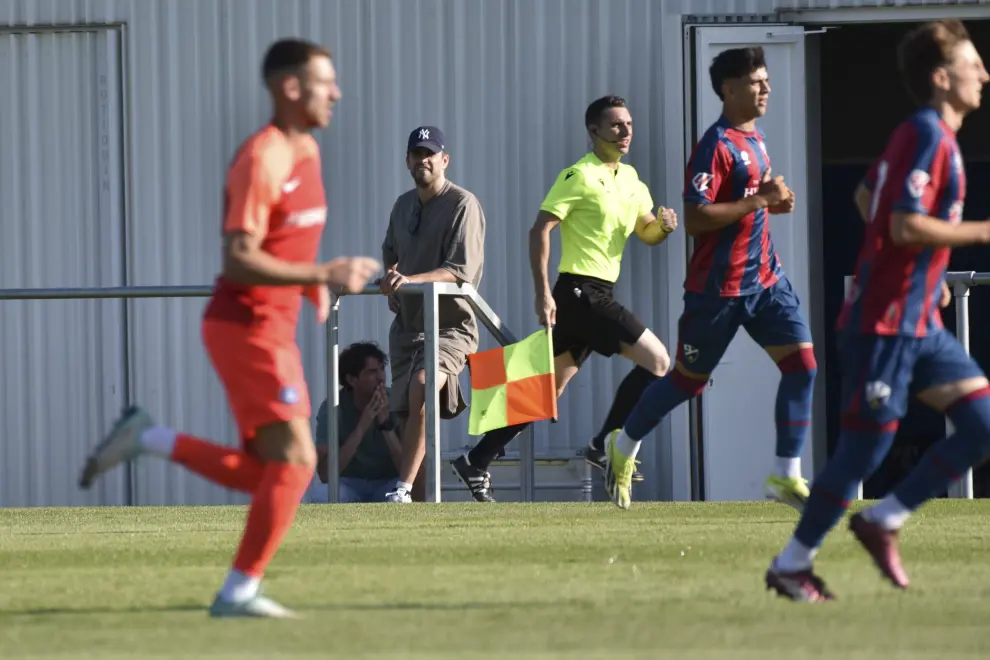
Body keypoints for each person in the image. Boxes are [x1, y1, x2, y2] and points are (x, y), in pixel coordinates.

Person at [77, 38, 380, 618]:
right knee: (297, 463)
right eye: (326, 82)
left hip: (274, 327)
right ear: (290, 88)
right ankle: (237, 591)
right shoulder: (261, 158)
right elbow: (238, 257)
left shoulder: (309, 152)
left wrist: (310, 284)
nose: (337, 92)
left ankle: (149, 439)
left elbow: (285, 242)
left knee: (273, 474)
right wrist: (322, 271)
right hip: (243, 326)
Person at [766, 19, 990, 602]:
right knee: (863, 451)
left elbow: (869, 197)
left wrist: (927, 271)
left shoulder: (926, 135)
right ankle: (792, 563)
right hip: (884, 324)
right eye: (973, 64)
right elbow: (901, 222)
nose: (984, 74)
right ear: (942, 78)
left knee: (982, 423)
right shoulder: (926, 134)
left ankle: (884, 519)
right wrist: (975, 233)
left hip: (919, 321)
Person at [602, 47, 816, 511]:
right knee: (686, 382)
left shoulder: (755, 139)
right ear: (729, 89)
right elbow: (696, 218)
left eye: (766, 80)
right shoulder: (714, 145)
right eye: (757, 82)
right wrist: (760, 200)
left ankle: (786, 475)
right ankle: (623, 445)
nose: (767, 89)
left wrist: (770, 204)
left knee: (803, 367)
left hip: (766, 282)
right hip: (716, 291)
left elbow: (747, 203)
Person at [450, 95, 677, 502]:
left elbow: (646, 233)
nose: (625, 131)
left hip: (598, 292)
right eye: (615, 125)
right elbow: (540, 230)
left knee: (543, 392)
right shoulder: (579, 176)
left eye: (628, 124)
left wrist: (663, 227)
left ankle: (476, 460)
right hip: (578, 292)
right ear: (593, 131)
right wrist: (542, 294)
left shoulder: (633, 181)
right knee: (658, 361)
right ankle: (605, 444)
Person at [379, 126, 486, 504]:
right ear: (407, 161)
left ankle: (402, 488)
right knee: (407, 418)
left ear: (444, 160)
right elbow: (390, 249)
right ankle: (418, 510)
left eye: (430, 153)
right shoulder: (402, 205)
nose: (422, 160)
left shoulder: (463, 204)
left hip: (450, 327)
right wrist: (394, 281)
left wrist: (408, 279)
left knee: (424, 384)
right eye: (416, 153)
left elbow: (460, 272)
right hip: (408, 328)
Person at [309, 342, 402, 503]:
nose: (381, 377)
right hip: (349, 483)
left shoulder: (396, 400)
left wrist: (385, 423)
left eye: (381, 369)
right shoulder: (333, 407)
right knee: (321, 495)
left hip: (388, 481)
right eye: (372, 372)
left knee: (401, 496)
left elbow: (406, 467)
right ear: (352, 380)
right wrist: (362, 426)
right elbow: (325, 474)